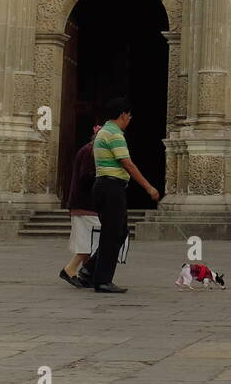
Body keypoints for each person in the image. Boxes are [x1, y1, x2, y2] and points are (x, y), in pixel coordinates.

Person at [89, 97, 159, 294]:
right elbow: (127, 163)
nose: (130, 119)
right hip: (111, 187)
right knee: (112, 233)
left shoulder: (104, 131)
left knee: (118, 232)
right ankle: (102, 280)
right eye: (129, 115)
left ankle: (90, 270)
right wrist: (148, 187)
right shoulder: (115, 134)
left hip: (105, 186)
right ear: (122, 114)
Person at [61, 126, 101, 288]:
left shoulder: (90, 150)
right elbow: (87, 176)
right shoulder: (90, 152)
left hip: (84, 204)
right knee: (94, 240)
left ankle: (87, 273)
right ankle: (71, 269)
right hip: (85, 204)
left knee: (89, 240)